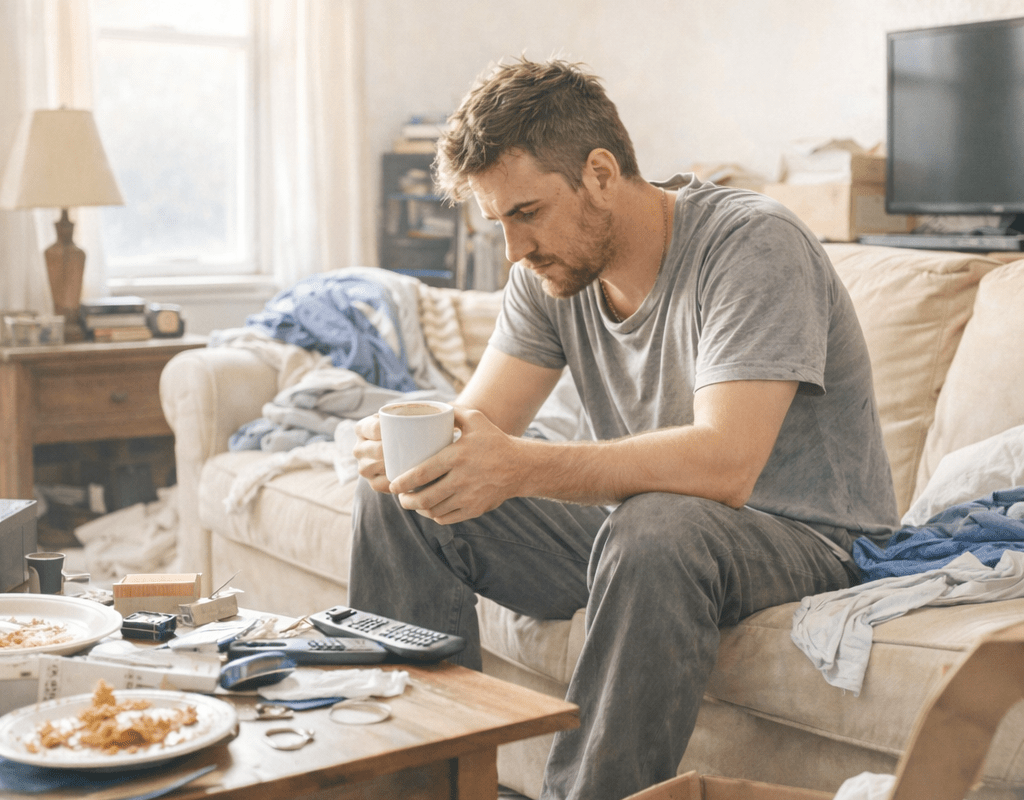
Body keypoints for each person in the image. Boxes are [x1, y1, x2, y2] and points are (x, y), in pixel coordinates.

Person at [350, 57, 898, 800]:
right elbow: (478, 425)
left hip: (806, 541)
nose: (512, 249)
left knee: (660, 525)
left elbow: (725, 465)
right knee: (403, 499)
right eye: (498, 221)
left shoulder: (752, 244)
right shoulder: (549, 276)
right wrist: (411, 449)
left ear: (601, 174)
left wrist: (520, 466)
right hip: (644, 541)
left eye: (526, 213)